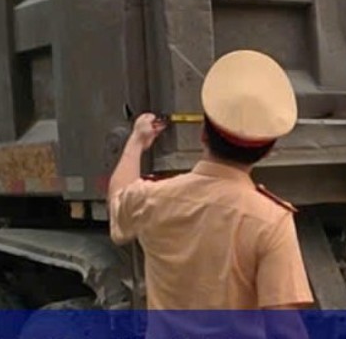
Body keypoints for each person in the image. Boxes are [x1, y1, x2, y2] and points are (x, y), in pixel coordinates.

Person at [108, 49, 315, 311]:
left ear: (203, 133)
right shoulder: (270, 221)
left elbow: (118, 201)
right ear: (268, 151)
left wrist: (137, 140)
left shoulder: (153, 199)